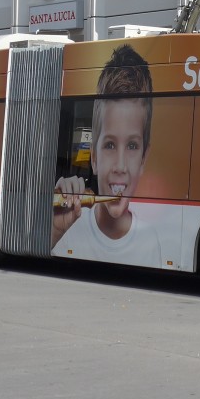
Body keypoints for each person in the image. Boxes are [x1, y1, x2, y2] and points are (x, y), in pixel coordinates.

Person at [51, 44, 162, 266]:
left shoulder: (151, 243)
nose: (120, 166)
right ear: (93, 156)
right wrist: (55, 230)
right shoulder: (69, 228)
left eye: (132, 146)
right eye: (110, 145)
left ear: (143, 159)